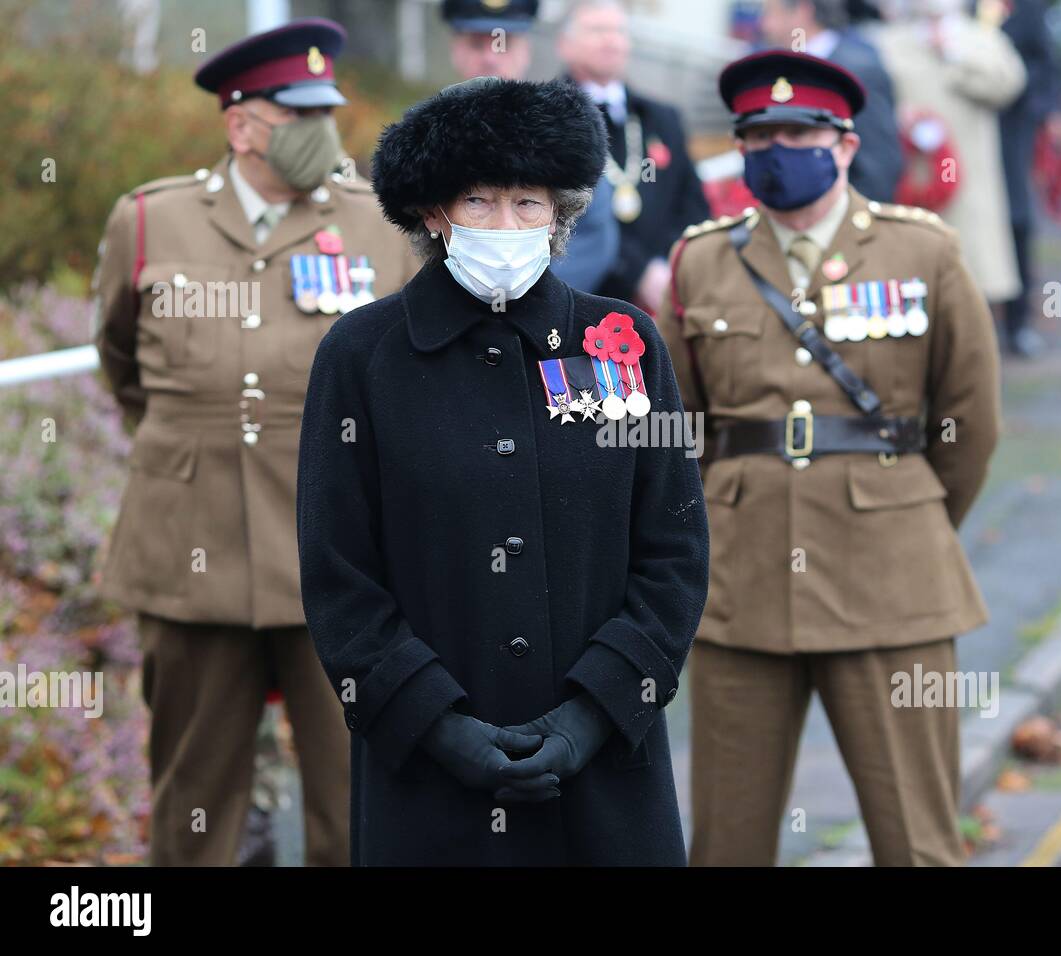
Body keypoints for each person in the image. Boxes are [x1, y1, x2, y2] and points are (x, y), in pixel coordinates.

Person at [296, 76, 709, 865]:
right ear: (433, 213)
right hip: (426, 777)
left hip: (607, 771)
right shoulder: (361, 356)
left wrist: (590, 715)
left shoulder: (624, 341)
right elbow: (339, 574)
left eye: (529, 202)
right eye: (480, 201)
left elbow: (675, 553)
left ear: (561, 213)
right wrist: (437, 726)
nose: (507, 222)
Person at [659, 50, 1000, 866]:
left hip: (893, 579)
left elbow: (971, 421)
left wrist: (908, 515)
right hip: (741, 583)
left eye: (802, 131)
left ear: (845, 144)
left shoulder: (924, 253)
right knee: (724, 845)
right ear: (741, 148)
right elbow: (677, 429)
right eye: (761, 134)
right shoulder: (701, 260)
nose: (781, 148)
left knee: (917, 842)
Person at [92, 18, 418, 865]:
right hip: (188, 546)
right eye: (296, 114)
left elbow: (413, 379)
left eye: (327, 113)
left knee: (357, 790)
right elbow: (122, 363)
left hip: (340, 557)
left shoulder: (380, 224)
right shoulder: (150, 220)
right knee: (194, 795)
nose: (322, 133)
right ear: (240, 126)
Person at [442, 0, 620, 292]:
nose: (490, 57)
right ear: (455, 50)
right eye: (476, 44)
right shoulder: (426, 140)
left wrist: (526, 305)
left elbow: (590, 241)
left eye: (504, 44)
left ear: (526, 50)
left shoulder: (566, 137)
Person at [557, 0, 711, 311]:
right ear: (565, 45)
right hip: (583, 298)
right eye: (597, 30)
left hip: (664, 295)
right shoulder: (547, 119)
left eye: (618, 31)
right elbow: (563, 215)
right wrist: (636, 272)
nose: (610, 40)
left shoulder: (661, 119)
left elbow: (693, 205)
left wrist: (666, 265)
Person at [870, 0, 1026, 306]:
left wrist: (954, 56)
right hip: (910, 176)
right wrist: (897, 116)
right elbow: (873, 98)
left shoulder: (981, 38)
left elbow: (1008, 85)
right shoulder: (887, 41)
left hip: (969, 173)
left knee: (971, 269)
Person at [759, 0, 903, 202]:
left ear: (802, 11)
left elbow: (877, 167)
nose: (765, 25)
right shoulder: (782, 70)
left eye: (771, 14)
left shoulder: (859, 70)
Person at [996, 0, 1061, 357]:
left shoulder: (1024, 8)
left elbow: (1046, 61)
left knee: (1016, 217)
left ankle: (1018, 320)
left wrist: (1050, 111)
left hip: (1011, 122)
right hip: (956, 127)